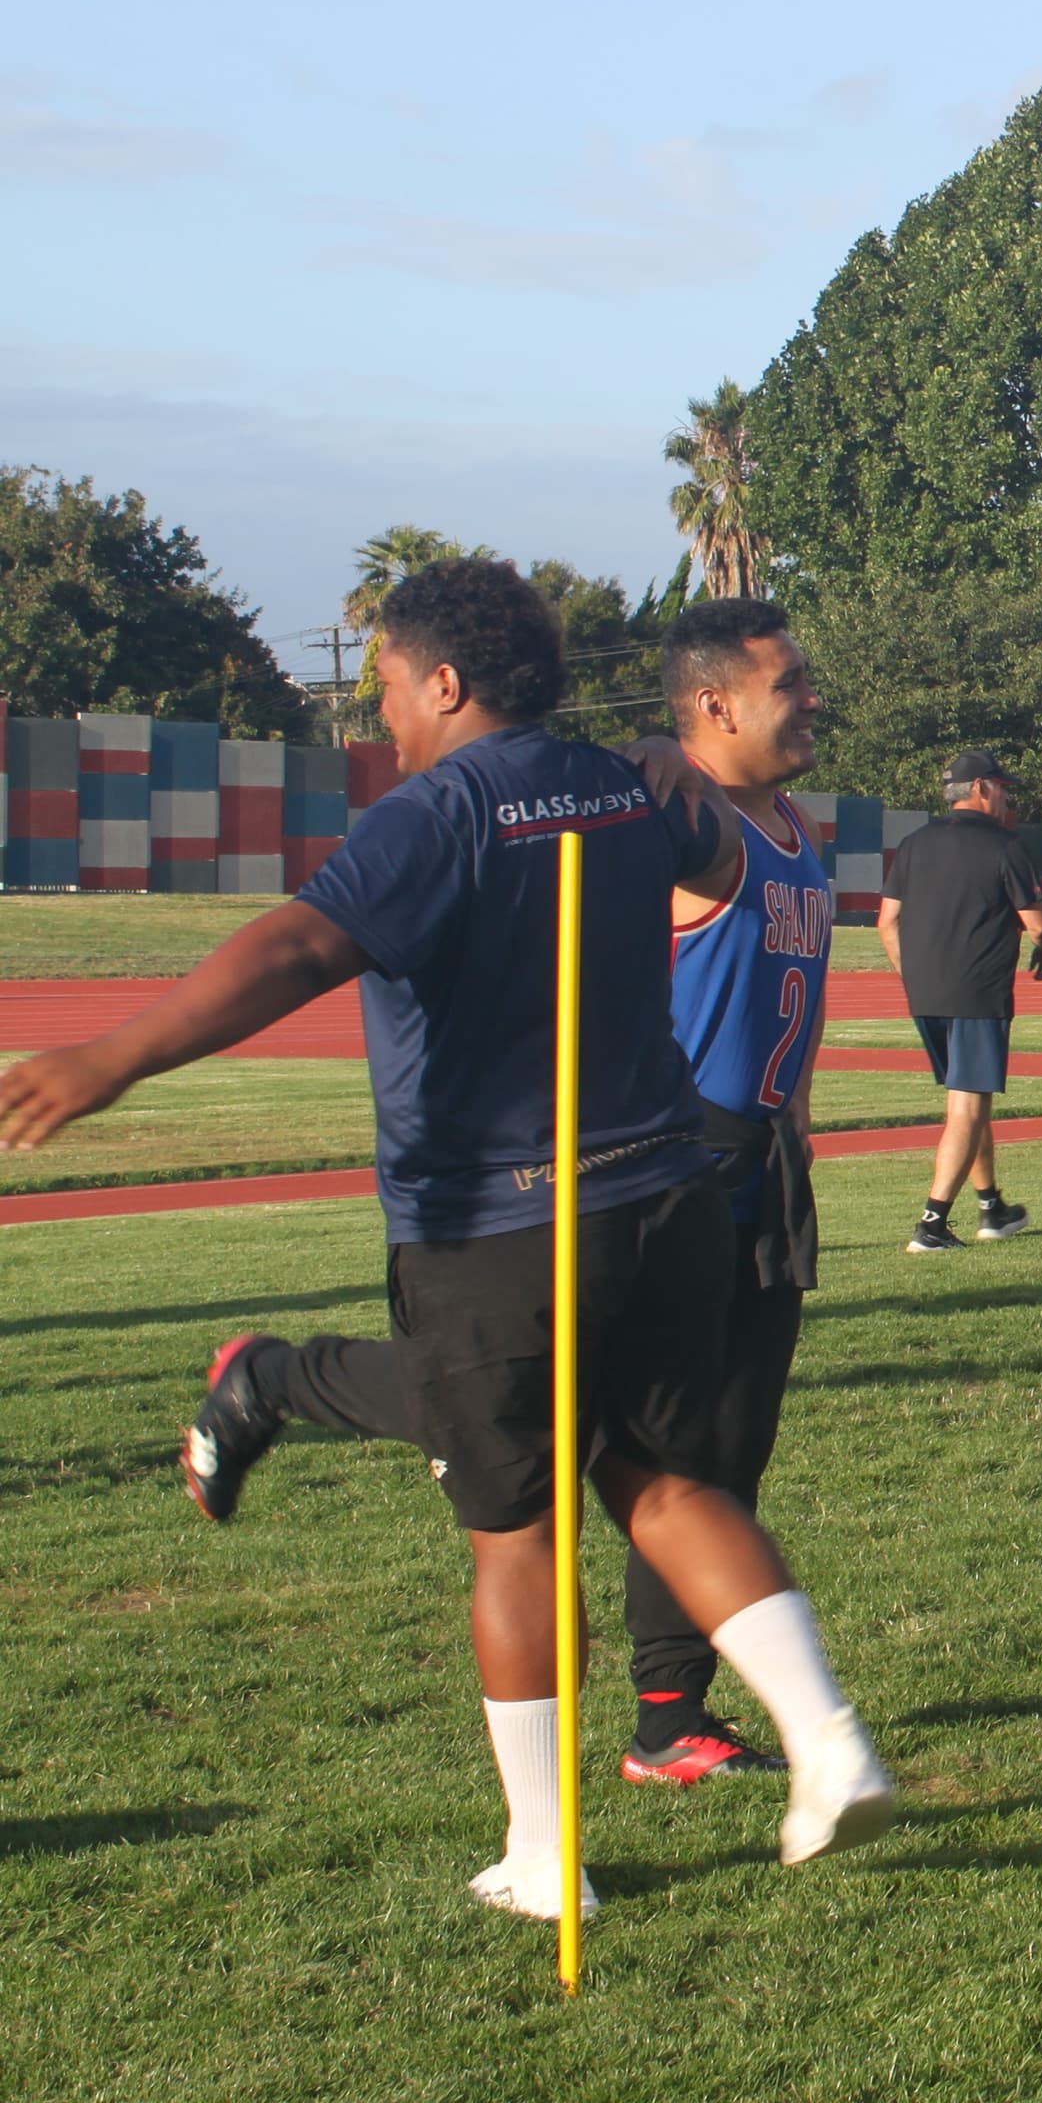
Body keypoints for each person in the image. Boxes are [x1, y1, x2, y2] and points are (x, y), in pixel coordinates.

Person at [0, 558, 892, 1919]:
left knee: (517, 1533)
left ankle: (544, 1854)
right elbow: (719, 864)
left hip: (498, 1220)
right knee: (665, 1486)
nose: (383, 717)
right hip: (667, 1198)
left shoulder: (440, 809)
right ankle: (827, 1741)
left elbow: (295, 948)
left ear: (448, 681)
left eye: (389, 688)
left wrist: (112, 1057)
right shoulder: (638, 786)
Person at [183, 596, 850, 1790]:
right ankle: (273, 1379)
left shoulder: (788, 828)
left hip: (757, 1168)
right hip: (643, 1160)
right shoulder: (636, 816)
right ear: (713, 704)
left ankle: (671, 1714)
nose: (812, 699)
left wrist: (793, 1124)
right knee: (555, 1432)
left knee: (714, 1451)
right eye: (788, 682)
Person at [876, 747, 1042, 1251]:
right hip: (977, 993)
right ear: (980, 788)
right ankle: (931, 1225)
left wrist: (913, 976)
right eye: (1002, 787)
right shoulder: (1003, 845)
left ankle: (991, 1206)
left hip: (926, 994)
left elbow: (887, 922)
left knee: (968, 1099)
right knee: (967, 1108)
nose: (1006, 798)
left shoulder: (913, 844)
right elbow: (1038, 924)